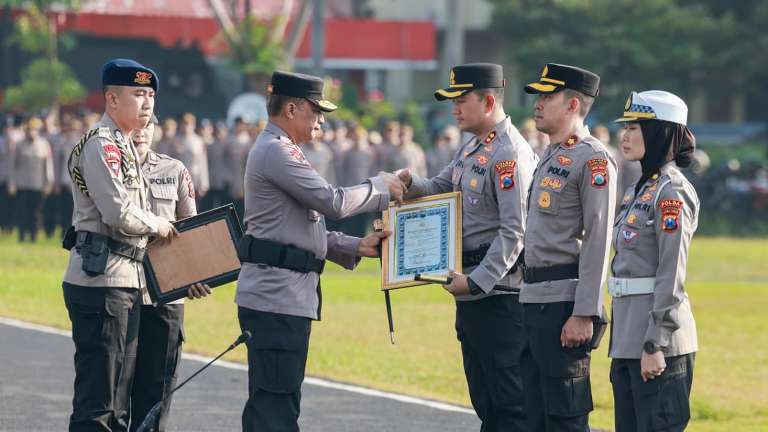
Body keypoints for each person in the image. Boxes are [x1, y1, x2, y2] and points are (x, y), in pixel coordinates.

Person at [236, 70, 406, 432]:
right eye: (316, 111)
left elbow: (300, 229)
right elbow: (334, 202)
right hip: (276, 298)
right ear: (293, 108)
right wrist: (381, 185)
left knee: (277, 403)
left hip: (284, 296)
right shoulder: (276, 151)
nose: (321, 120)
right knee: (275, 411)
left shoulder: (283, 150)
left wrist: (353, 245)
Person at [398, 63, 537, 431]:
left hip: (499, 295)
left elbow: (515, 232)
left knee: (510, 408)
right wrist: (411, 184)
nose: (454, 109)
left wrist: (476, 282)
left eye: (461, 100)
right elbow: (441, 187)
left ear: (488, 100)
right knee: (487, 403)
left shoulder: (508, 154)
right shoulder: (475, 146)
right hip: (470, 292)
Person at [62, 58, 177, 431]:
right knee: (100, 404)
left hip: (126, 280)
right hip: (102, 281)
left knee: (118, 405)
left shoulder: (124, 145)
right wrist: (159, 224)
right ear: (112, 99)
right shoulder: (103, 145)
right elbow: (118, 213)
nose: (147, 103)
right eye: (138, 94)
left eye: (150, 96)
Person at [519, 63, 617, 432]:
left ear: (573, 104)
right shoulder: (550, 154)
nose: (538, 104)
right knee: (532, 416)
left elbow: (598, 238)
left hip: (564, 305)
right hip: (533, 298)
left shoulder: (592, 159)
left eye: (548, 96)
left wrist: (585, 312)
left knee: (565, 419)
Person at [610, 90, 699, 432]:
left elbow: (670, 272)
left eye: (637, 127)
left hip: (656, 341)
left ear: (661, 133)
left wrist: (655, 341)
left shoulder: (671, 193)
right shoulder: (640, 189)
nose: (626, 135)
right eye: (627, 126)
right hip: (628, 339)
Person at [129, 116, 210, 431]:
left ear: (156, 130)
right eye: (135, 124)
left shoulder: (174, 170)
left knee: (158, 388)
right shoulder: (109, 169)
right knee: (117, 384)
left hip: (167, 295)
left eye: (147, 124)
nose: (140, 131)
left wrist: (196, 274)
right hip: (122, 289)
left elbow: (191, 228)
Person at [9, 117, 54, 242]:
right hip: (22, 185)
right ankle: (22, 237)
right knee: (22, 213)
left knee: (36, 214)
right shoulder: (18, 145)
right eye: (29, 129)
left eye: (34, 129)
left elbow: (48, 166)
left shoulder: (44, 144)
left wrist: (49, 183)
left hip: (38, 185)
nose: (31, 132)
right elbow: (13, 165)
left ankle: (33, 238)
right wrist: (12, 183)